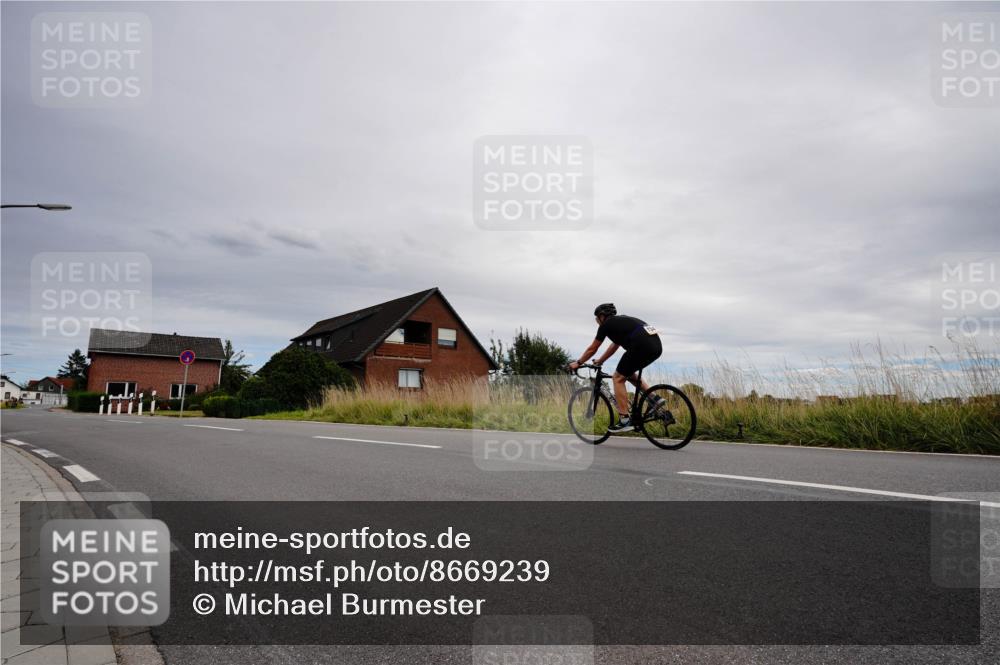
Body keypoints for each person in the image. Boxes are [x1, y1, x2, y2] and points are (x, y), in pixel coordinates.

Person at [569, 303, 665, 432]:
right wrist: (600, 361)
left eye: (597, 318)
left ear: (602, 316)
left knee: (618, 378)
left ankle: (624, 420)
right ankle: (654, 399)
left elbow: (592, 348)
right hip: (656, 347)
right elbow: (614, 346)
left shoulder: (606, 325)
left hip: (640, 346)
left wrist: (578, 362)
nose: (597, 321)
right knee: (628, 373)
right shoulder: (621, 322)